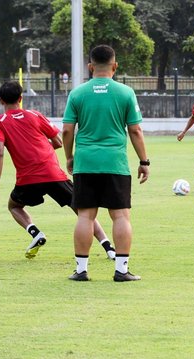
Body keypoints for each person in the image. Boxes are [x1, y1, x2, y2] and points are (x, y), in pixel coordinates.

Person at [0, 81, 115, 260]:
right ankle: (109, 248)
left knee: (14, 206)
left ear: (0, 101)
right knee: (82, 211)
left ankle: (35, 233)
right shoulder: (35, 115)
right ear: (21, 98)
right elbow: (58, 142)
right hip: (53, 173)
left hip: (27, 179)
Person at [62, 44, 150, 282]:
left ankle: (81, 270)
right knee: (120, 216)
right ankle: (121, 270)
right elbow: (136, 130)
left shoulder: (78, 94)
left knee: (85, 216)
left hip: (86, 162)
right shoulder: (125, 93)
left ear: (90, 67)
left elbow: (68, 130)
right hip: (115, 163)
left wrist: (70, 157)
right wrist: (144, 161)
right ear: (115, 66)